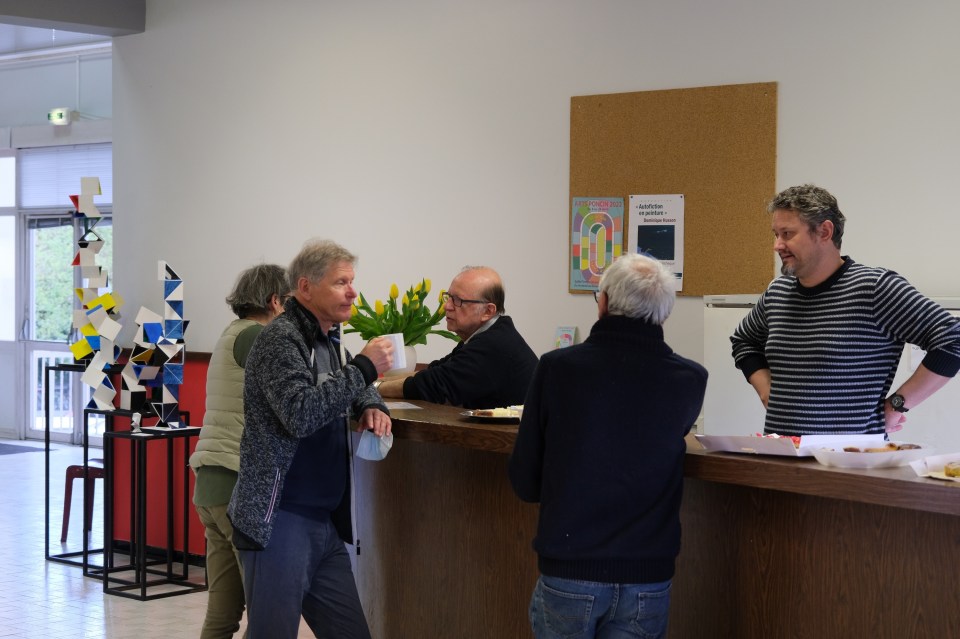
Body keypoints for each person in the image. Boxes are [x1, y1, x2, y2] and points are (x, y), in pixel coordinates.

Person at [508, 253, 707, 639]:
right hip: (649, 574)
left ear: (603, 303)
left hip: (571, 566)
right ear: (665, 314)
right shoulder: (690, 379)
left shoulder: (557, 368)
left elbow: (525, 480)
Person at [228, 239, 394, 639]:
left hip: (323, 521)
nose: (352, 292)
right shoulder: (280, 339)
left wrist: (371, 404)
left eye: (351, 282)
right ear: (305, 287)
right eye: (340, 283)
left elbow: (348, 386)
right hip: (280, 518)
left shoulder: (329, 338)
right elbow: (301, 414)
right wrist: (366, 367)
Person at [731, 184, 960, 436]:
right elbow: (744, 341)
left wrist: (897, 404)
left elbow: (952, 340)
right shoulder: (778, 292)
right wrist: (766, 391)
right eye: (776, 234)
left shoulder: (875, 288)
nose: (777, 245)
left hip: (851, 456)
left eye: (787, 234)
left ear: (824, 231)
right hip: (782, 454)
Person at [189, 264, 289, 639]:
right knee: (268, 612)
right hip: (238, 488)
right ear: (275, 301)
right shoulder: (257, 337)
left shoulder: (232, 333)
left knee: (223, 614)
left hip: (211, 486)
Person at [375, 266, 538, 408]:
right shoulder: (486, 335)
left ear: (488, 311)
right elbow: (435, 371)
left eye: (458, 300)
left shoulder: (495, 344)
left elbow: (434, 385)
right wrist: (374, 383)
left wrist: (374, 388)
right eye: (449, 297)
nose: (447, 306)